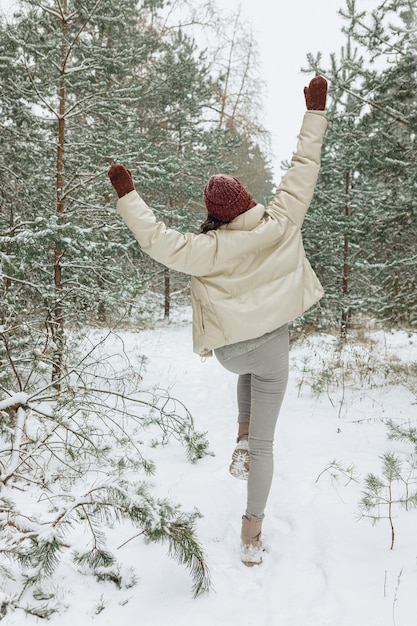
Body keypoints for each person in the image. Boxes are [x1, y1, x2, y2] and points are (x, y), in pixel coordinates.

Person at [108, 75, 328, 567]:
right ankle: (252, 533)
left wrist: (128, 195)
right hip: (272, 350)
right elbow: (303, 166)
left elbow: (157, 239)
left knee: (249, 363)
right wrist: (315, 112)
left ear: (214, 214)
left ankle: (241, 434)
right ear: (248, 200)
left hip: (232, 355)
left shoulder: (204, 248)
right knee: (268, 436)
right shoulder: (281, 220)